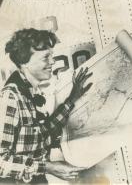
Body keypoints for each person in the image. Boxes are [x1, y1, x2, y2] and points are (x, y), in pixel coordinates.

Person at [0, 28, 93, 184]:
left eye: (52, 56)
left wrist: (72, 98)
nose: (52, 62)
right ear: (25, 62)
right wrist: (47, 167)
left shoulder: (30, 92)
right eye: (45, 57)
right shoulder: (11, 97)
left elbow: (42, 134)